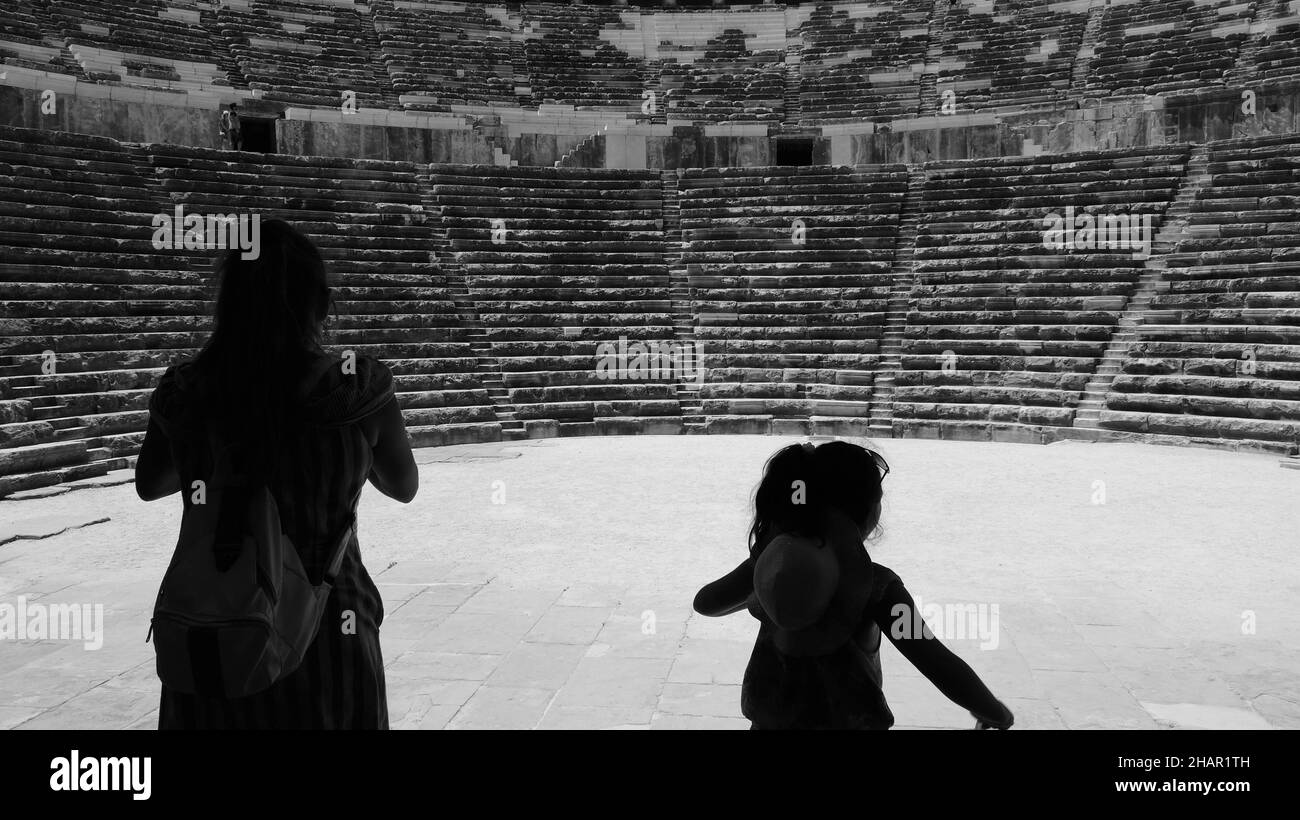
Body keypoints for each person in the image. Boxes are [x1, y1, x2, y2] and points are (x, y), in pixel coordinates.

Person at [136, 219, 418, 729]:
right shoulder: (356, 391)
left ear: (229, 302)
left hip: (217, 622)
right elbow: (404, 486)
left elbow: (149, 484)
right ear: (319, 301)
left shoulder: (185, 392)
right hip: (329, 625)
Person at [693, 441, 1014, 730]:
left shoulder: (770, 570)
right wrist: (992, 710)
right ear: (867, 511)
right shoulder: (880, 589)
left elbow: (706, 603)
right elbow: (935, 660)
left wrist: (756, 570)